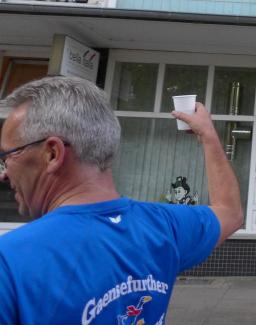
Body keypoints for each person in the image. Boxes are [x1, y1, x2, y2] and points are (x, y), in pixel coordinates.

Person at [0, 76, 243, 324]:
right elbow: (230, 212)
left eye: (7, 155)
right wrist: (208, 135)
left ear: (52, 153)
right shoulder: (163, 227)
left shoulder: (8, 263)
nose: (4, 173)